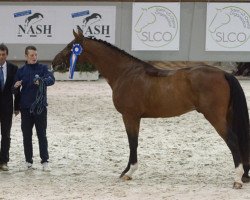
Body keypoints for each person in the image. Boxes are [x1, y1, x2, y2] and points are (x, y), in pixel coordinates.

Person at [13, 45, 55, 171]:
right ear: (26, 56)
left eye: (36, 55)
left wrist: (42, 81)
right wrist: (15, 86)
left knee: (42, 134)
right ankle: (28, 161)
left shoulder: (43, 68)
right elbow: (13, 88)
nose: (34, 57)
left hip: (40, 108)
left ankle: (45, 161)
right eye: (32, 55)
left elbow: (52, 80)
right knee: (27, 135)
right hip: (25, 108)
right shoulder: (21, 71)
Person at [0, 44, 20, 171]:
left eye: (3, 54)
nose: (1, 57)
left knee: (6, 135)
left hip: (7, 107)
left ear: (7, 55)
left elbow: (17, 89)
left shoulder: (13, 68)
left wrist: (17, 106)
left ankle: (3, 161)